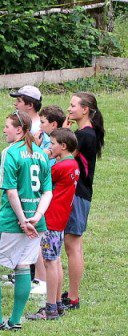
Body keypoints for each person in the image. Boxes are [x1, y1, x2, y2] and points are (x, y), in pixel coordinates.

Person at [0, 110, 52, 331]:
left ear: (19, 129)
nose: (4, 129)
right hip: (37, 223)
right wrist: (36, 217)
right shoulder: (41, 153)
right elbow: (48, 192)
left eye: (7, 126)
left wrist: (22, 220)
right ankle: (15, 321)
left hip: (11, 221)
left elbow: (11, 191)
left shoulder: (10, 152)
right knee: (23, 265)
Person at [27, 128, 79, 320]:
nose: (51, 147)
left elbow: (39, 177)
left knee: (50, 262)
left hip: (50, 219)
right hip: (60, 219)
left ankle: (49, 308)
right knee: (55, 260)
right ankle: (56, 304)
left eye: (53, 144)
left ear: (63, 146)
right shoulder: (72, 164)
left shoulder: (59, 167)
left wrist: (40, 151)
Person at [62, 92, 105, 310]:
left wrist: (63, 132)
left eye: (72, 105)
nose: (69, 109)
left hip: (77, 194)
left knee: (73, 245)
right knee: (73, 245)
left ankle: (74, 297)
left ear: (85, 109)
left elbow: (62, 154)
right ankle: (71, 293)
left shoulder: (84, 135)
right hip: (79, 194)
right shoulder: (85, 133)